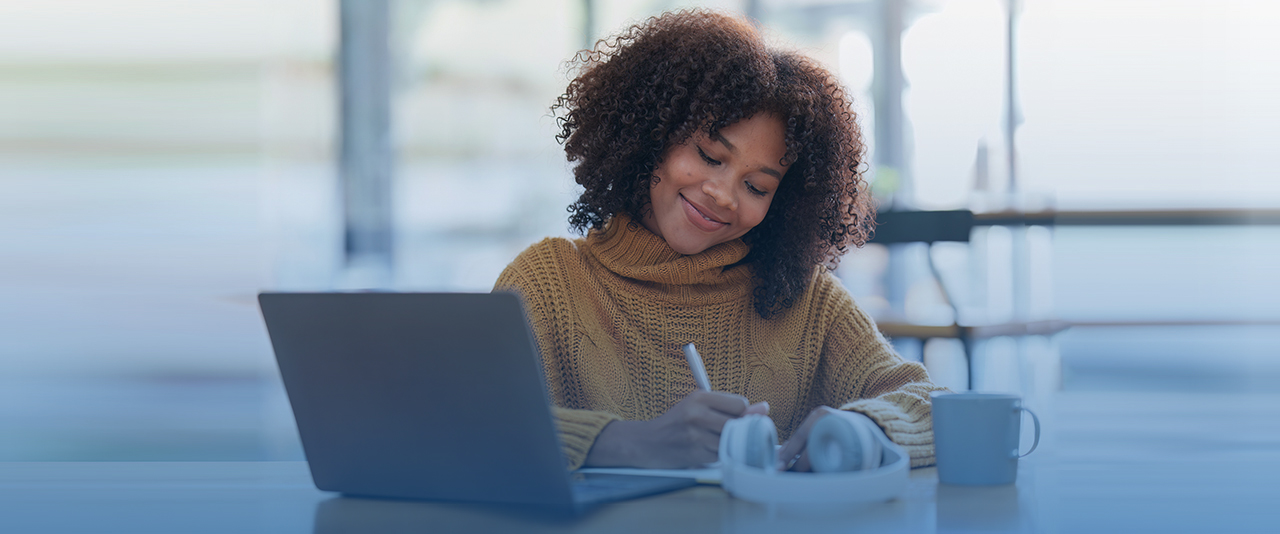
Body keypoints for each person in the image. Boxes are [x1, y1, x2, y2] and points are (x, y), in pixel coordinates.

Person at [494, 9, 946, 471]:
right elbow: (470, 429)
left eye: (757, 187)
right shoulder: (546, 283)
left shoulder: (803, 301)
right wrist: (628, 442)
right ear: (652, 133)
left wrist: (864, 430)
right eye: (710, 156)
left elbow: (935, 406)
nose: (723, 196)